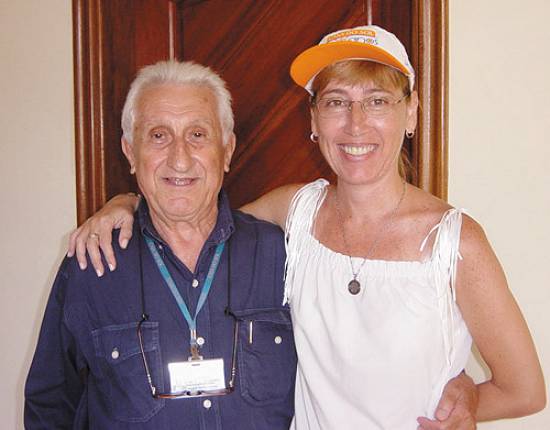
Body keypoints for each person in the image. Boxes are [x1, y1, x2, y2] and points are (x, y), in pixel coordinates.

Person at [67, 26, 545, 429]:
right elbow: (194, 217)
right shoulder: (295, 210)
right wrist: (126, 202)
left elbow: (525, 391)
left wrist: (469, 400)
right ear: (314, 119)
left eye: (377, 100)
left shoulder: (454, 243)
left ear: (412, 112)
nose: (356, 124)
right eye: (336, 102)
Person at [25, 61, 299, 429]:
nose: (179, 158)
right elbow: (50, 407)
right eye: (158, 135)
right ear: (130, 152)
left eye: (197, 134)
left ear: (227, 150)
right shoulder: (92, 264)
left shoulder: (282, 258)